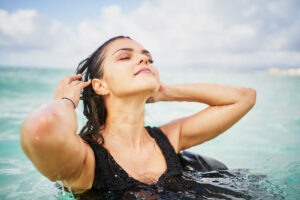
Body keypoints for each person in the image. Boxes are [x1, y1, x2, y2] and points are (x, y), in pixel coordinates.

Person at [20, 36, 256, 194]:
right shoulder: (86, 160)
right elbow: (42, 127)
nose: (144, 59)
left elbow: (244, 98)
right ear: (100, 86)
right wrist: (66, 100)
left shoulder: (168, 138)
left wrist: (165, 91)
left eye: (149, 59)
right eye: (125, 57)